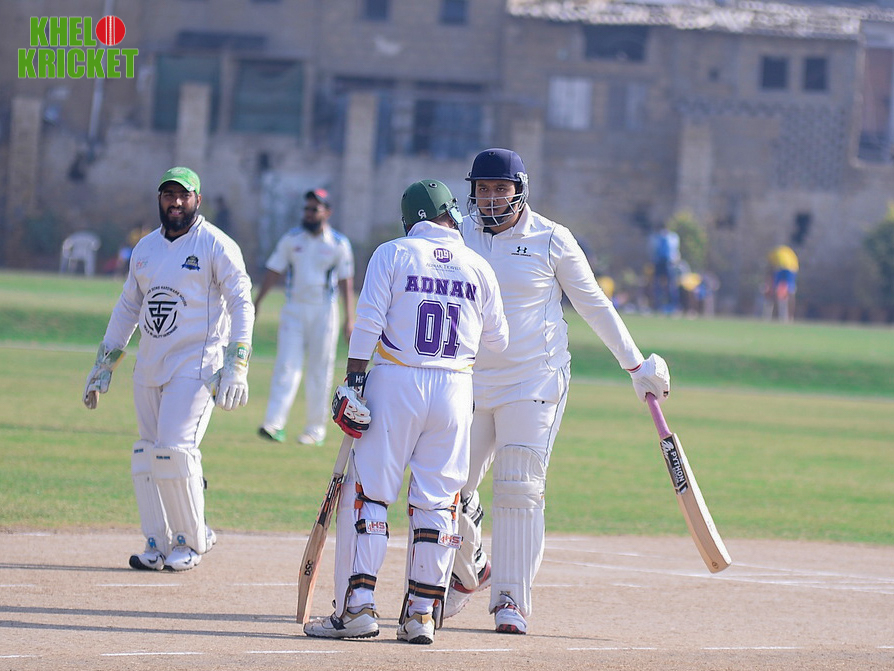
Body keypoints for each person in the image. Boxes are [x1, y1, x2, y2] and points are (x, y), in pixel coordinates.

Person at [444, 148, 671, 634]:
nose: (490, 198)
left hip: (534, 381)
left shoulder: (551, 239)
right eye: (482, 189)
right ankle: (470, 571)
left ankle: (510, 599)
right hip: (469, 381)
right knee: (447, 485)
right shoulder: (459, 235)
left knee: (518, 486)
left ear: (520, 190)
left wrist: (636, 365)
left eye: (500, 189)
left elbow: (594, 304)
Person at [303, 180, 508, 644]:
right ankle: (421, 616)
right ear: (450, 214)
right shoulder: (479, 266)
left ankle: (358, 609)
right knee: (438, 502)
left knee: (371, 497)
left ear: (410, 219)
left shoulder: (393, 253)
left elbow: (367, 323)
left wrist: (354, 383)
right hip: (455, 388)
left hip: (395, 380)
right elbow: (500, 341)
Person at [82, 166, 255, 571]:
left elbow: (241, 303)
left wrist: (237, 364)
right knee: (148, 453)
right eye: (168, 195)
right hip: (150, 362)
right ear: (159, 199)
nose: (176, 202)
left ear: (197, 200)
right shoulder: (145, 249)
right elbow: (128, 307)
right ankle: (157, 542)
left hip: (197, 364)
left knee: (175, 450)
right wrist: (104, 364)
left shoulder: (216, 244)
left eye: (183, 195)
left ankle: (191, 540)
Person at [254, 188, 355, 445]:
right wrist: (258, 301)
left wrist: (349, 318)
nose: (308, 213)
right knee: (286, 366)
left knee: (320, 370)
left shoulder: (338, 244)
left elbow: (346, 281)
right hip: (294, 309)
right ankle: (274, 424)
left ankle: (314, 430)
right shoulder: (292, 240)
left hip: (324, 311)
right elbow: (274, 270)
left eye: (314, 209)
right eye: (307, 209)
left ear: (327, 212)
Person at [649, 222, 682, 314]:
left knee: (671, 286)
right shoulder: (656, 238)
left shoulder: (672, 237)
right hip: (660, 263)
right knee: (658, 285)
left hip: (669, 263)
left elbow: (675, 251)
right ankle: (658, 306)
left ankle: (673, 306)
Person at [764, 243, 799, 322]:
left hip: (783, 269)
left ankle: (777, 315)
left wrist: (768, 282)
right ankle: (789, 317)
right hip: (792, 269)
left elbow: (769, 269)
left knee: (779, 292)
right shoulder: (788, 252)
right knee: (790, 292)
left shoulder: (773, 254)